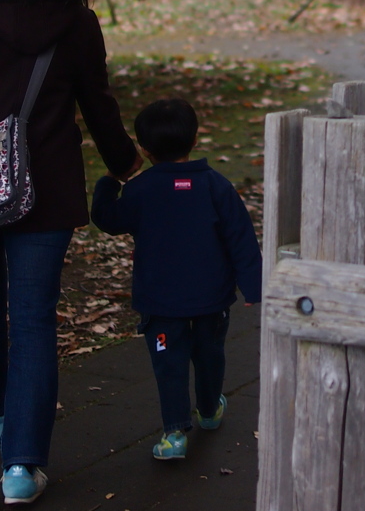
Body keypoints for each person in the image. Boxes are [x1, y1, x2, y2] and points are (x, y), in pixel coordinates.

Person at [0, 0, 140, 506]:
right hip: (46, 189)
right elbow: (98, 103)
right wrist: (127, 164)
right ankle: (21, 466)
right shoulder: (77, 20)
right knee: (32, 320)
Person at [91, 98, 261, 461]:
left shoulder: (139, 191)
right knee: (210, 354)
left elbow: (106, 218)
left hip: (160, 299)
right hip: (211, 297)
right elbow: (241, 237)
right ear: (195, 139)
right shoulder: (217, 186)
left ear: (145, 149)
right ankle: (210, 409)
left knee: (169, 365)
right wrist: (253, 284)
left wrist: (109, 180)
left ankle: (174, 433)